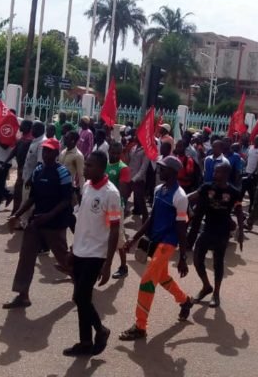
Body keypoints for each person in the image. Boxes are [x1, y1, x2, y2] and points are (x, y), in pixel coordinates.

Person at [119, 156, 193, 341]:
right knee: (162, 277)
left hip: (168, 243)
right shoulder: (159, 190)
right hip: (155, 240)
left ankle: (140, 326)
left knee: (146, 281)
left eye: (164, 168)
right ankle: (185, 301)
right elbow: (151, 219)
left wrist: (183, 257)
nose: (159, 170)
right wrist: (134, 239)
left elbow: (182, 228)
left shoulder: (180, 197)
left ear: (174, 173)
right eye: (160, 167)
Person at [64, 151, 121, 357]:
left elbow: (115, 229)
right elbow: (81, 220)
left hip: (96, 254)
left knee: (80, 296)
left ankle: (101, 330)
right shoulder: (87, 187)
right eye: (85, 164)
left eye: (90, 166)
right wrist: (72, 249)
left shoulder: (111, 193)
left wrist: (108, 264)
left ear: (102, 168)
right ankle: (85, 342)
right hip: (79, 250)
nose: (85, 168)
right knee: (81, 299)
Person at [4, 138, 72, 308]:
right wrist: (17, 215)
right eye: (45, 151)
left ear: (57, 154)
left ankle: (78, 280)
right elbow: (33, 197)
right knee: (25, 257)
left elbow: (66, 200)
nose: (47, 154)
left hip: (55, 223)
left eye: (50, 151)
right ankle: (22, 295)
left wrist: (49, 216)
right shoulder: (38, 171)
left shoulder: (62, 173)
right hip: (36, 221)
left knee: (63, 257)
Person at [188, 163, 245, 307]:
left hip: (222, 231)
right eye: (214, 171)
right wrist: (177, 197)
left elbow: (239, 212)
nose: (214, 174)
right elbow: (192, 196)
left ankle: (216, 294)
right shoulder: (207, 187)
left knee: (218, 263)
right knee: (197, 259)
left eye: (218, 172)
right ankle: (206, 286)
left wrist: (241, 232)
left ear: (226, 174)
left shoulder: (234, 192)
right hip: (207, 229)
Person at [105, 142, 131, 279]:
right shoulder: (105, 164)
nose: (114, 155)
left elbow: (122, 191)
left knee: (119, 239)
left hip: (115, 207)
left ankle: (123, 267)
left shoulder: (123, 168)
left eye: (117, 152)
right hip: (103, 206)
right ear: (109, 151)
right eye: (112, 152)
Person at [128, 138, 150, 222]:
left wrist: (135, 179)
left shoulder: (145, 150)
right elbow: (130, 161)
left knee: (141, 201)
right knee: (125, 196)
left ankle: (146, 220)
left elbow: (143, 168)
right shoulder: (133, 148)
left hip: (138, 180)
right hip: (130, 176)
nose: (137, 137)